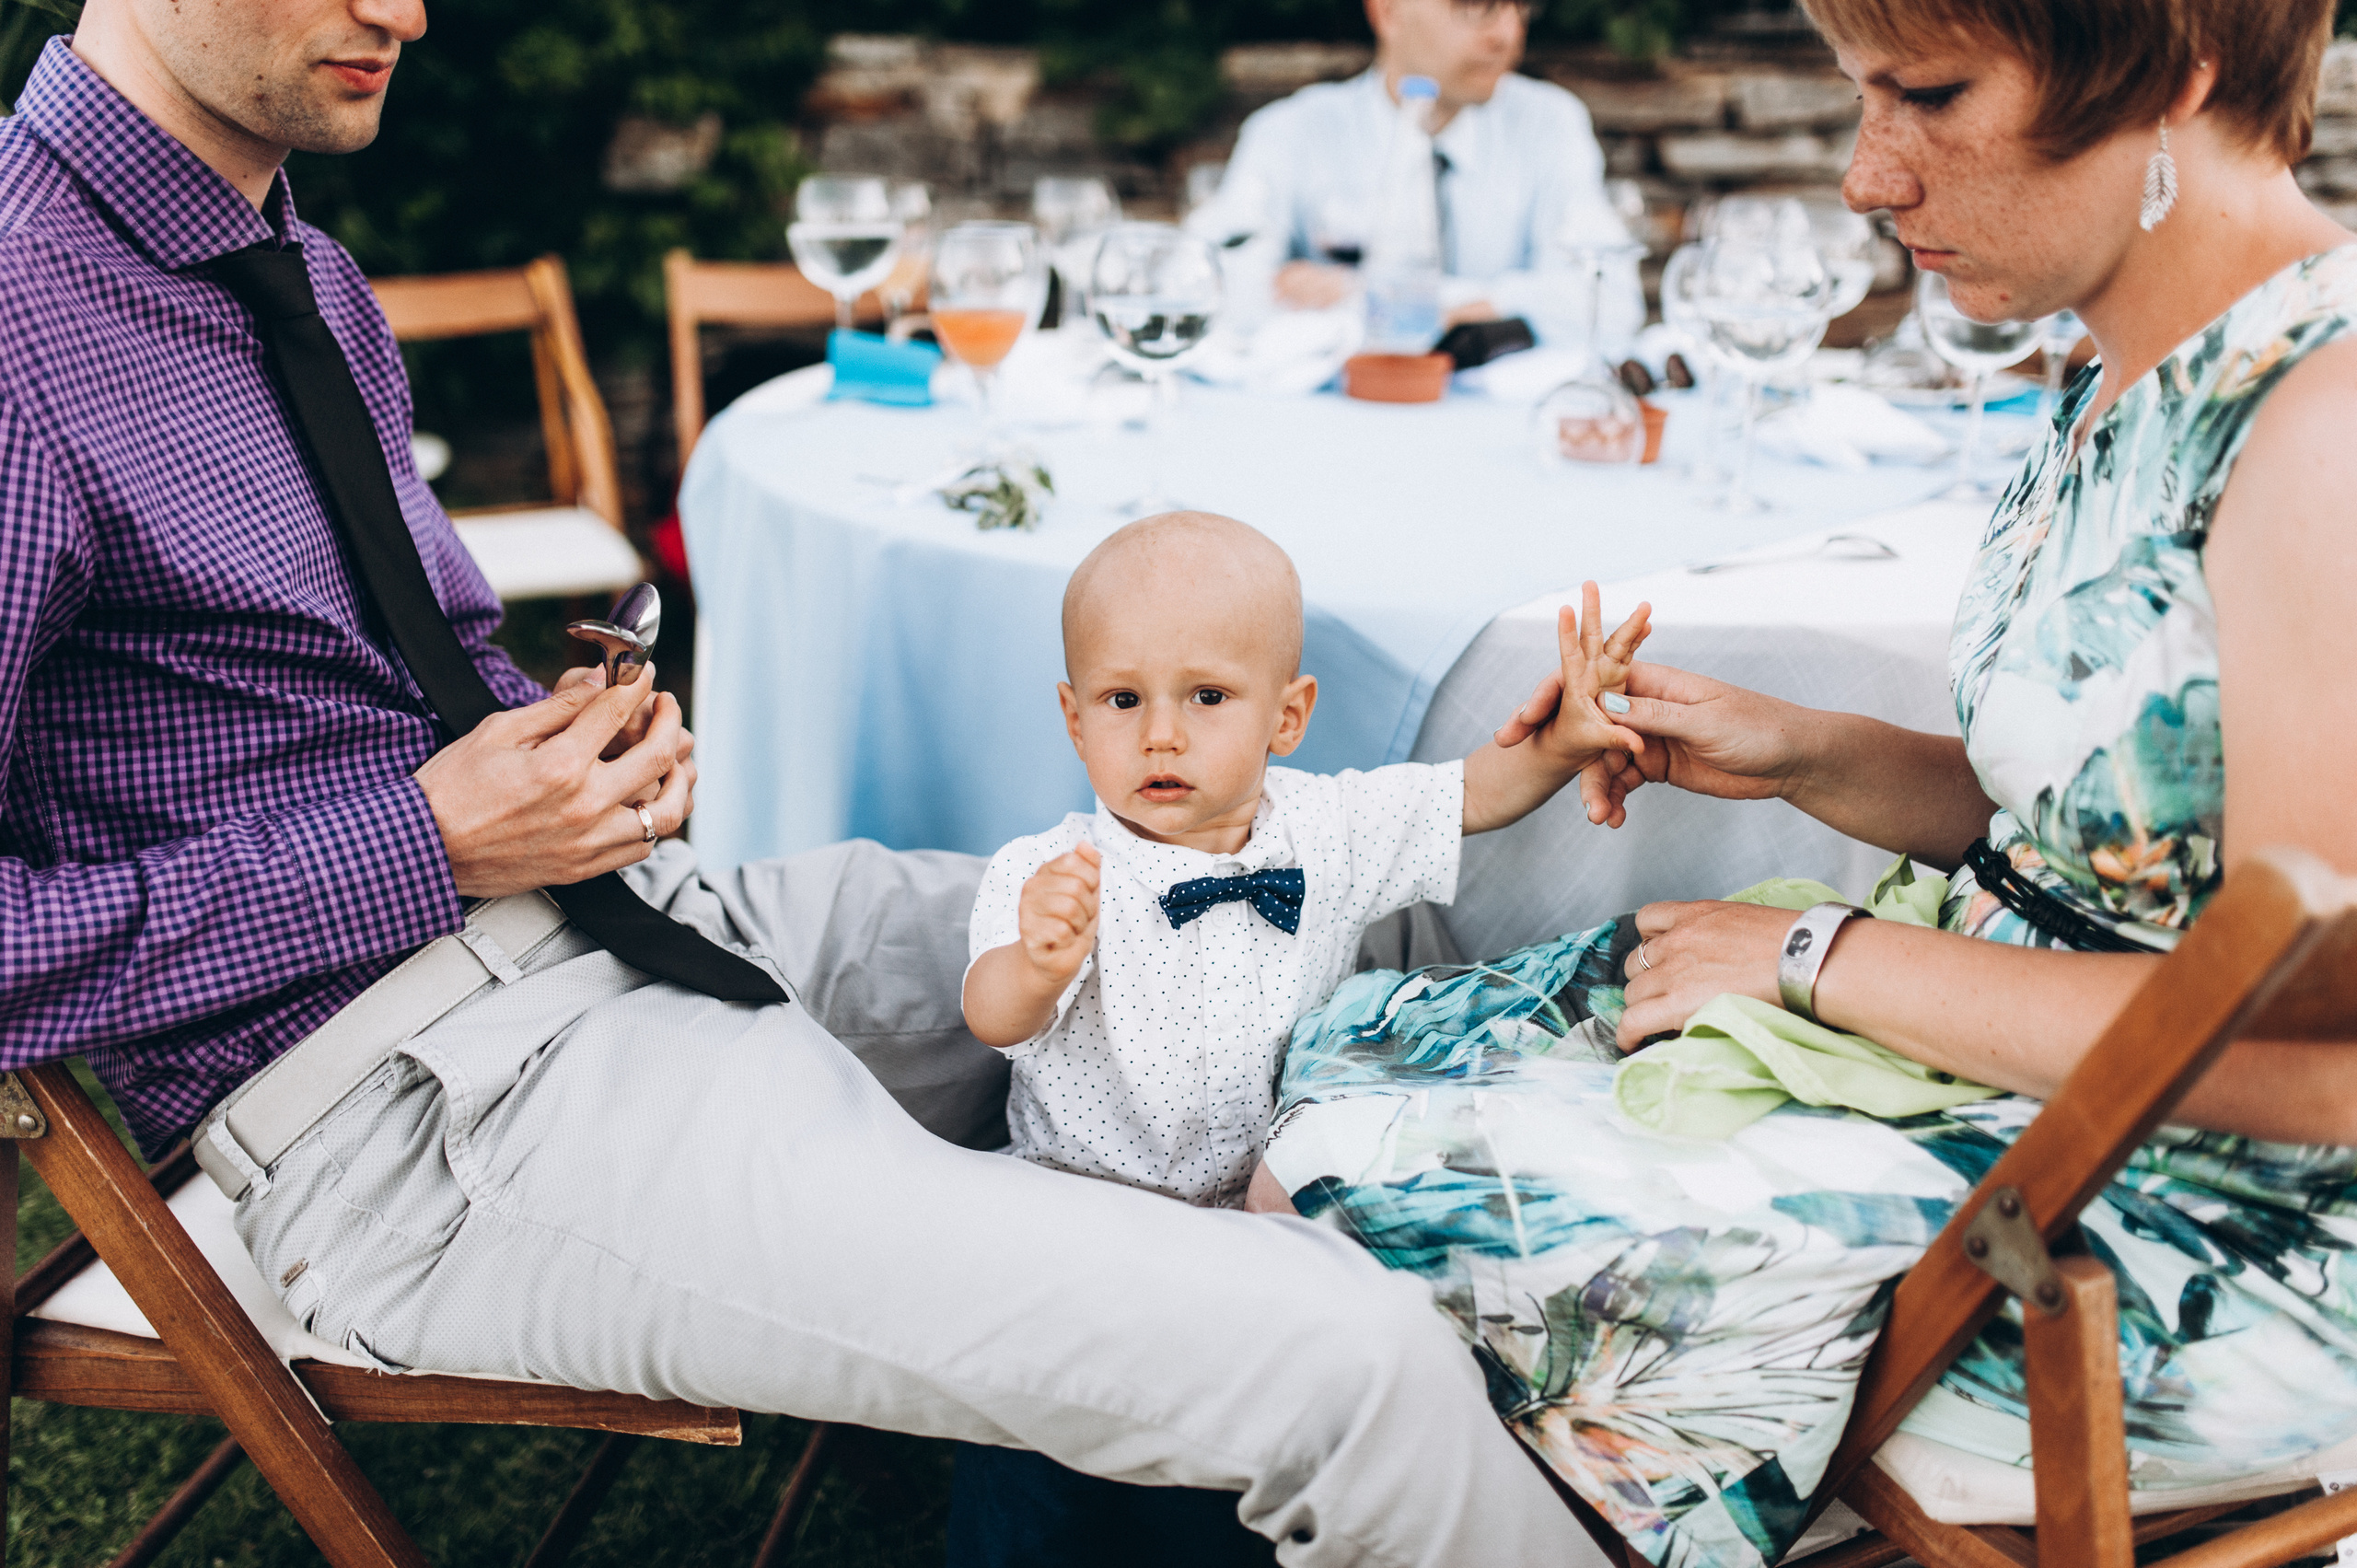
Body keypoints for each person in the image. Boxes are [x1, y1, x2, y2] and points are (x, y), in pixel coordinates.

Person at [0, 5, 1613, 1563]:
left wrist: (571, 743)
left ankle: (1666, 1376)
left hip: (622, 918)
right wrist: (423, 838)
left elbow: (362, 677)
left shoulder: (302, 273)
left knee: (1332, 932)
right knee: (1342, 1359)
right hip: (415, 1109)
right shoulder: (17, 319)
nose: (403, 12)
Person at [1243, 1, 2357, 1564]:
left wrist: (1819, 960)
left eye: (1930, 93)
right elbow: (2123, 833)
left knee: (1359, 1211)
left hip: (2211, 1233)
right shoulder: (2122, 357)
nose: (1866, 178)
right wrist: (1808, 748)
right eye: (1861, 98)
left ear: (2168, 66)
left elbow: (2318, 1057)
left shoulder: (2323, 429)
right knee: (1342, 1061)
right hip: (2027, 1092)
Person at [947, 514, 1647, 1564]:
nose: (1162, 734)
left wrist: (1561, 740)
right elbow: (991, 1013)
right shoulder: (1050, 869)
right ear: (1072, 716)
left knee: (1234, 1457)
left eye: (1208, 696)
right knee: (1041, 1463)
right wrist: (1038, 960)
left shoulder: (1324, 830)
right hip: (1077, 1219)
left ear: (1289, 714)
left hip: (1256, 1224)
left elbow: (1469, 796)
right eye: (1122, 698)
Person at [1204, 0, 1637, 330]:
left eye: (1519, 6)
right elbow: (1208, 288)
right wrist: (1500, 303)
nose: (1507, 34)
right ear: (1387, 11)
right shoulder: (1291, 132)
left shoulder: (1549, 123)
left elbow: (1611, 301)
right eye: (1476, 7)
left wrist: (1361, 295)